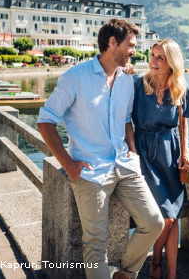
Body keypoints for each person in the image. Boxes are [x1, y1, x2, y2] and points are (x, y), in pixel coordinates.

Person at [37, 18, 164, 279]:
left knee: (154, 223)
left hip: (125, 165)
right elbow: (46, 120)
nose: (134, 51)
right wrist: (68, 165)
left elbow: (127, 119)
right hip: (90, 171)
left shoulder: (126, 80)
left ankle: (125, 274)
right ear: (112, 43)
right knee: (95, 246)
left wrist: (132, 150)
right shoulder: (76, 77)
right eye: (130, 45)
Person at [132, 39, 189, 279]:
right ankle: (155, 262)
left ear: (172, 62)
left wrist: (186, 152)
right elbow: (125, 118)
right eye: (153, 55)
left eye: (161, 58)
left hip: (171, 152)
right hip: (144, 151)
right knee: (164, 217)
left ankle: (171, 274)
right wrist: (131, 150)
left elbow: (183, 123)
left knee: (173, 215)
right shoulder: (138, 84)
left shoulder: (181, 88)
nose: (154, 61)